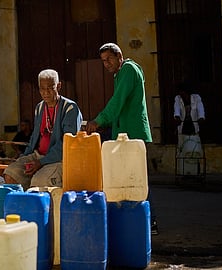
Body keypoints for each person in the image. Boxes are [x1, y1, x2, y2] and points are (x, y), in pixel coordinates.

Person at [85, 43, 157, 234]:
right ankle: (135, 223)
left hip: (133, 135)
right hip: (124, 134)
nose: (106, 64)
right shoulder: (121, 73)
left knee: (137, 180)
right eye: (103, 61)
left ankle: (150, 223)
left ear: (119, 56)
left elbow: (117, 103)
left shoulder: (128, 70)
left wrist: (98, 121)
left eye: (109, 59)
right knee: (127, 179)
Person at [3, 69, 83, 190]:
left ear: (59, 86)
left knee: (38, 183)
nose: (46, 93)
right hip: (38, 156)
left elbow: (67, 143)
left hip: (59, 159)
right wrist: (24, 157)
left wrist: (42, 162)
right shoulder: (39, 108)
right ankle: (23, 206)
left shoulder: (70, 108)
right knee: (11, 173)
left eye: (50, 88)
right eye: (42, 89)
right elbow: (35, 137)